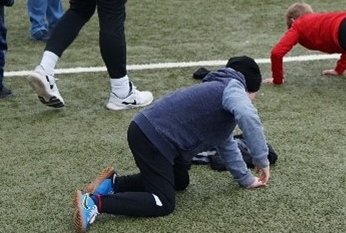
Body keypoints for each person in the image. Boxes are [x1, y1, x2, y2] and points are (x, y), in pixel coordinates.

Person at [72, 56, 270, 232]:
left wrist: (246, 179)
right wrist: (261, 158)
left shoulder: (218, 91)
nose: (253, 100)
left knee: (180, 181)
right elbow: (247, 115)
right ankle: (95, 202)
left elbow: (226, 144)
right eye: (254, 95)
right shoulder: (233, 88)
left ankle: (114, 184)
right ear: (249, 87)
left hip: (151, 133)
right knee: (163, 203)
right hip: (153, 139)